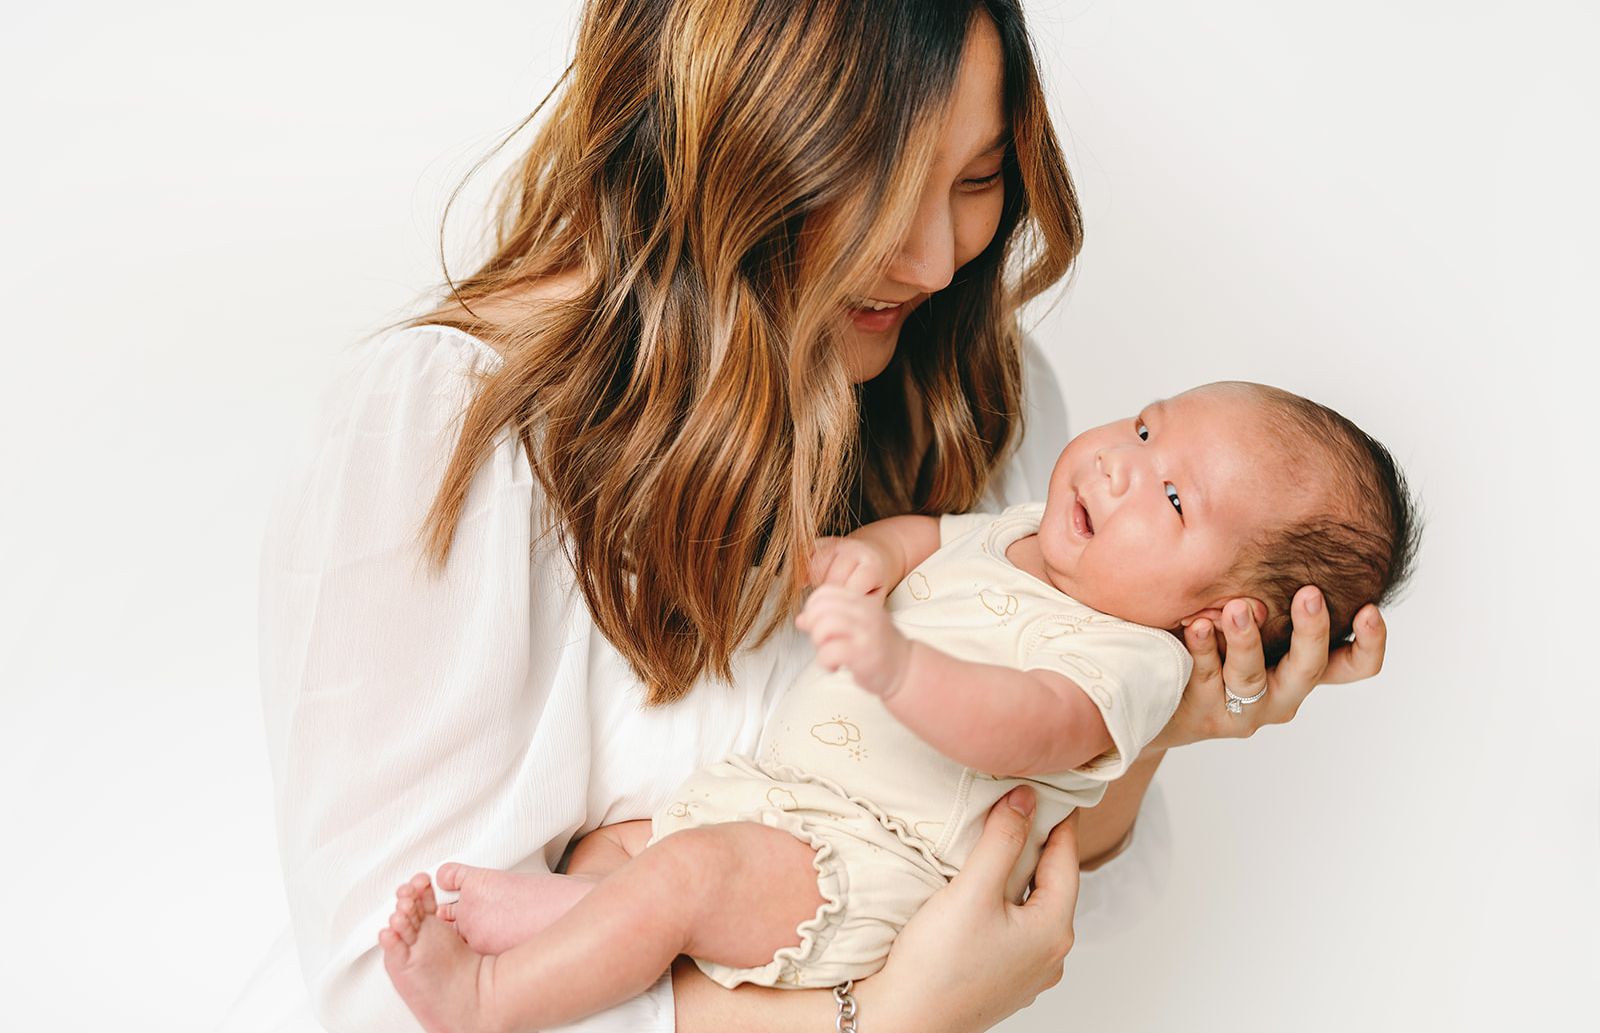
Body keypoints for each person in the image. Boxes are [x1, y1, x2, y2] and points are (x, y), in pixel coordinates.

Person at [256, 0, 1389, 1032]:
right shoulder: (442, 432)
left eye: (978, 178)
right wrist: (878, 1020)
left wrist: (1167, 709)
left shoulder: (990, 399)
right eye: (878, 185)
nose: (941, 258)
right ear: (723, 150)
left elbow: (1041, 873)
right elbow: (383, 996)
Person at [376, 381, 1419, 1032]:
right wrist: (852, 560)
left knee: (688, 875)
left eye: (1175, 498)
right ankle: (566, 922)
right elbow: (923, 536)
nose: (1119, 461)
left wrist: (897, 666)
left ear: (1219, 613)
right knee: (624, 849)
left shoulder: (1131, 666)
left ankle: (489, 1004)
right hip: (787, 808)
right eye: (1146, 426)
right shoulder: (1024, 533)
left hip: (870, 873)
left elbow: (1027, 722)